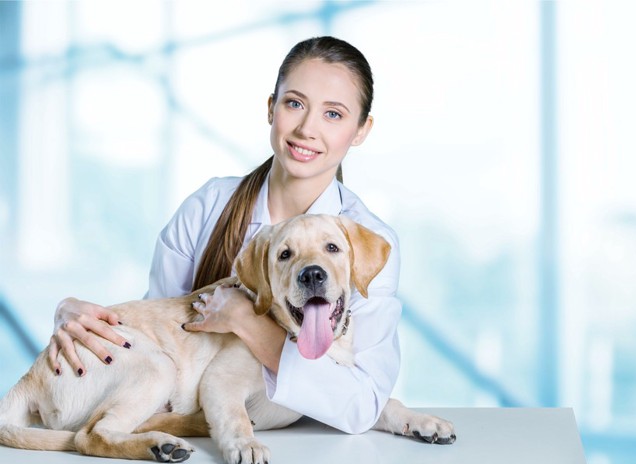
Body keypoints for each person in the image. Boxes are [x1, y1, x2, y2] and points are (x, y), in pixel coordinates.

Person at [48, 36, 401, 435]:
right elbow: (161, 331)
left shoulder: (367, 239)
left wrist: (243, 320)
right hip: (187, 431)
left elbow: (360, 406)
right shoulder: (208, 207)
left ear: (361, 130)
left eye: (334, 114)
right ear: (271, 108)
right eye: (295, 104)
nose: (307, 129)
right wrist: (75, 315)